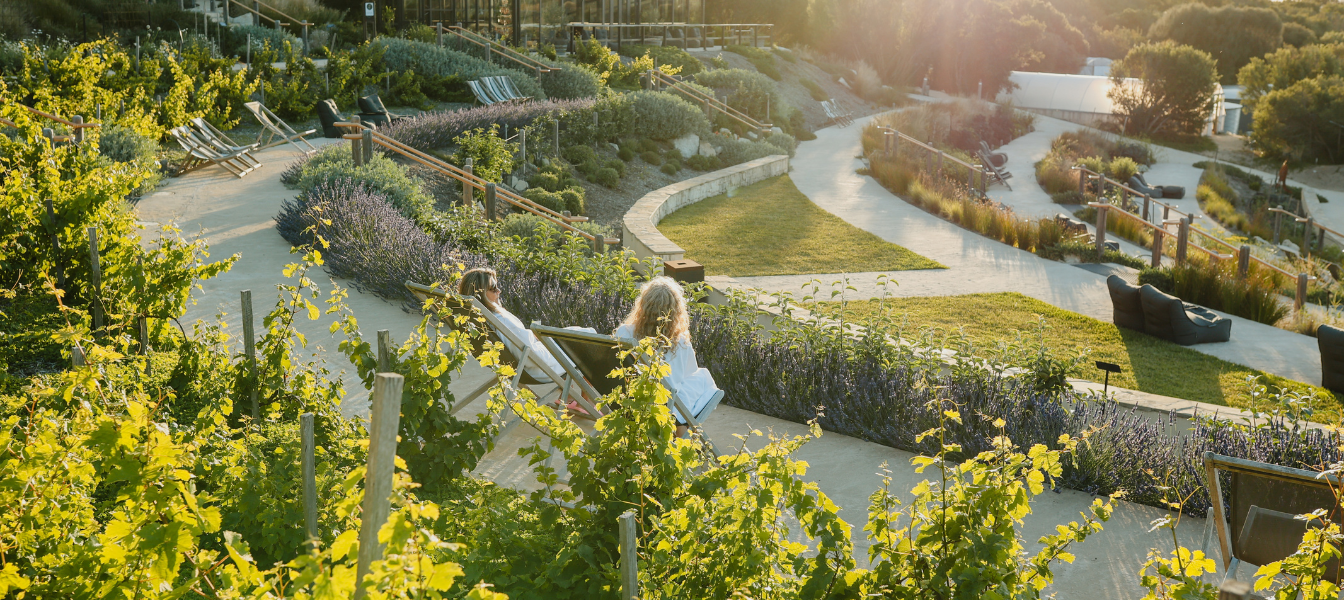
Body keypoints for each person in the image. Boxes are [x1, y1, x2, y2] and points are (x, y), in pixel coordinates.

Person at [458, 268, 595, 414]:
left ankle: (568, 397)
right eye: (493, 288)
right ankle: (584, 402)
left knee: (574, 332)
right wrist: (547, 340)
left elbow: (519, 341)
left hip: (521, 365)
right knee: (587, 338)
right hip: (536, 367)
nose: (499, 291)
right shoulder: (502, 319)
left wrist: (538, 337)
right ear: (479, 293)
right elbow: (530, 354)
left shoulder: (479, 320)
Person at [615, 277, 720, 436]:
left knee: (679, 390)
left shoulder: (624, 333)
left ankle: (679, 426)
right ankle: (681, 431)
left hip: (629, 400)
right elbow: (688, 375)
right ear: (676, 311)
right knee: (701, 378)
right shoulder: (681, 343)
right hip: (664, 407)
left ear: (642, 306)